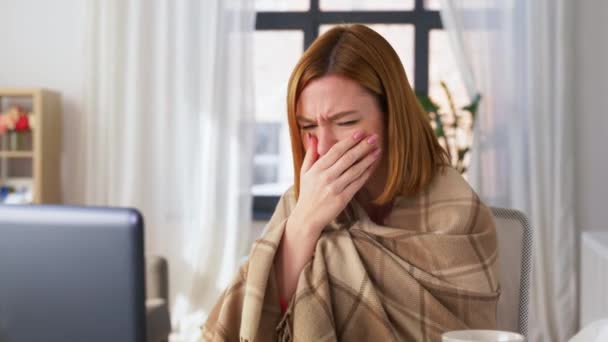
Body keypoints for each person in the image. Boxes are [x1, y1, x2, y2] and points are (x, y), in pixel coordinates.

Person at [202, 24, 500, 342]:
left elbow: (465, 332)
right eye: (308, 127)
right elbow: (261, 325)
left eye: (346, 123)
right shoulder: (300, 202)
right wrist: (304, 224)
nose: (326, 146)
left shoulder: (457, 213)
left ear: (392, 118)